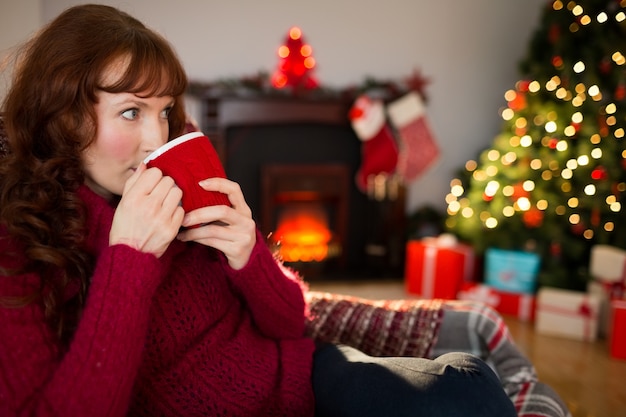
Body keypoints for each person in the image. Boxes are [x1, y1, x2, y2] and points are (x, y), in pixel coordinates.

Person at [0, 4, 518, 417]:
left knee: (469, 393)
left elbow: (292, 323)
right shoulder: (20, 252)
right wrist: (129, 261)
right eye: (130, 112)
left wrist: (250, 256)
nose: (156, 137)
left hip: (302, 381)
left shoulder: (180, 190)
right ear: (64, 119)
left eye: (163, 111)